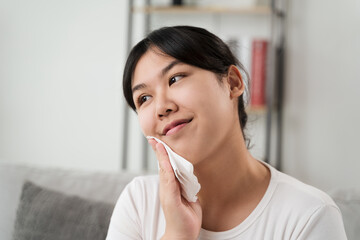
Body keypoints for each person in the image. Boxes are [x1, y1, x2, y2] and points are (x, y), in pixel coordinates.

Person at [106, 26, 347, 240]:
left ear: (232, 83)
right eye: (144, 98)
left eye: (175, 78)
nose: (161, 107)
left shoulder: (310, 215)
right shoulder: (139, 202)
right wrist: (177, 235)